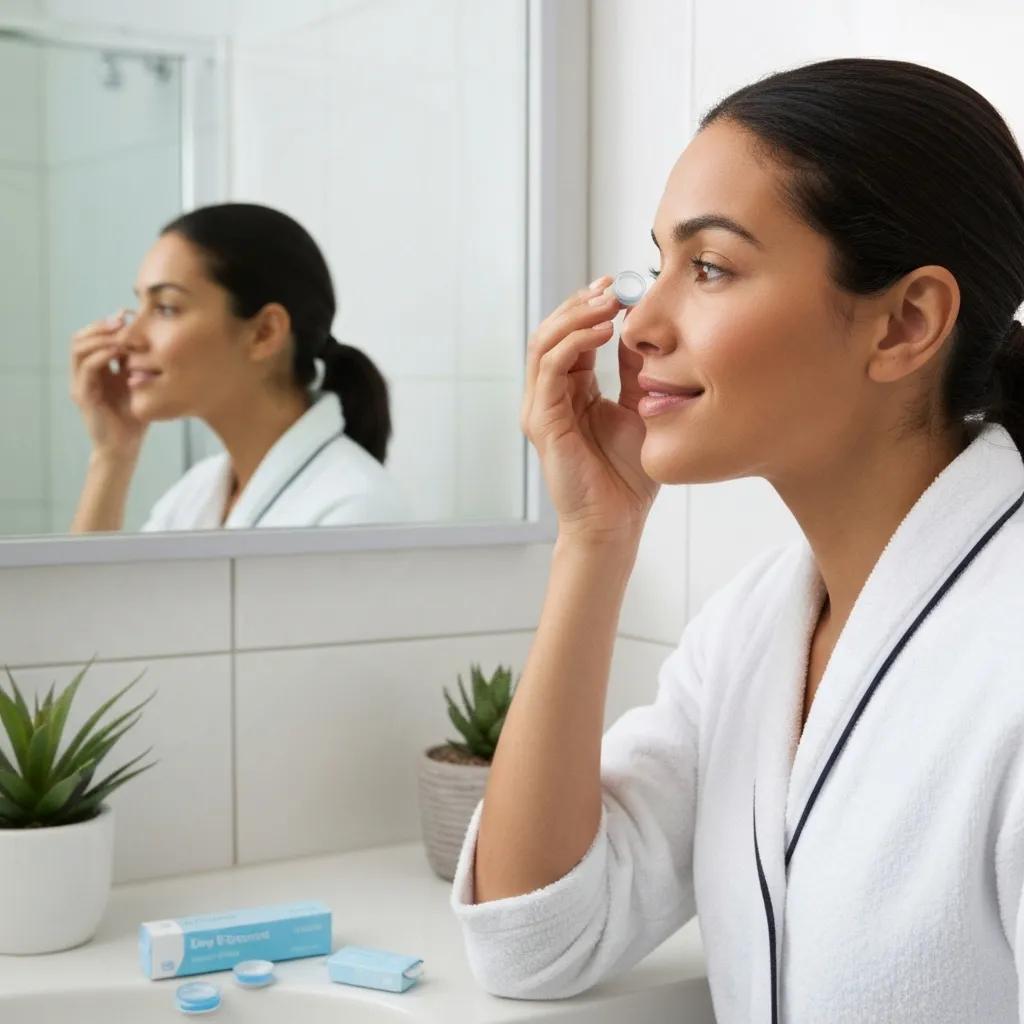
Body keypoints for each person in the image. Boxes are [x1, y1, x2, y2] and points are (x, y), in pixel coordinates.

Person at [449, 57, 1024, 1023]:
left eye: (710, 267)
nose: (640, 323)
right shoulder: (755, 628)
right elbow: (533, 940)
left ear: (906, 323)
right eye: (658, 264)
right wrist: (596, 537)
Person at [69, 203, 407, 531]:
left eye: (167, 308)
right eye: (138, 305)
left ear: (264, 333)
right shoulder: (195, 495)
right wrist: (113, 455)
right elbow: (91, 591)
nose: (129, 337)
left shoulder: (354, 510)